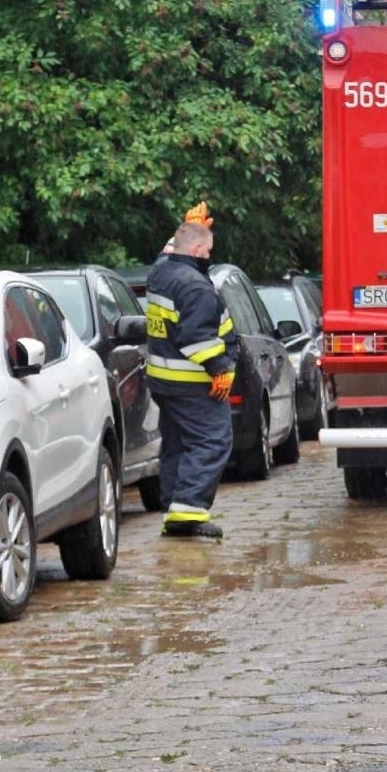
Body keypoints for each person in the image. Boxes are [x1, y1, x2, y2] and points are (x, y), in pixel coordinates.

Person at [144, 220, 238, 538]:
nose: (209, 256)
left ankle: (174, 508)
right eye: (207, 250)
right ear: (197, 250)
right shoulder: (194, 286)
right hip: (193, 382)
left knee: (177, 443)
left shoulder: (161, 273)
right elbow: (196, 337)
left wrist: (181, 227)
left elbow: (169, 251)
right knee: (212, 441)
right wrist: (220, 370)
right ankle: (187, 511)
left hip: (162, 380)